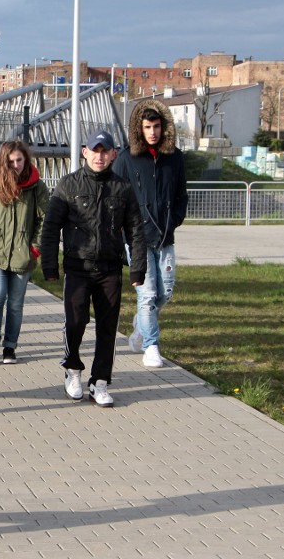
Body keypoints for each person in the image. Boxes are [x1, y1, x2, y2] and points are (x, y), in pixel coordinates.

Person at [40, 129, 147, 407]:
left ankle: (100, 382)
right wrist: (50, 264)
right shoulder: (68, 185)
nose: (99, 156)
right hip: (77, 267)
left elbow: (136, 229)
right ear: (84, 152)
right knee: (76, 323)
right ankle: (72, 370)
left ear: (112, 154)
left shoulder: (122, 188)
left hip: (110, 269)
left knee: (108, 328)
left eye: (105, 151)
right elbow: (51, 228)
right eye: (94, 150)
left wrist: (138, 268)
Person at [111, 99, 189, 368]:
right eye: (147, 127)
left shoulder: (175, 158)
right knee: (147, 294)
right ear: (139, 129)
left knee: (164, 292)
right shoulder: (126, 158)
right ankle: (151, 346)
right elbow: (115, 197)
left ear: (163, 127)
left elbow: (181, 195)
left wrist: (175, 219)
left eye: (156, 126)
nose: (152, 132)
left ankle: (140, 326)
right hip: (137, 238)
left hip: (165, 236)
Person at [0, 140, 48, 365]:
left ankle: (10, 346)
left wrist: (34, 248)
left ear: (25, 159)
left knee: (15, 303)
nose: (15, 165)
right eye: (11, 161)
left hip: (21, 255)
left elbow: (44, 220)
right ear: (3, 162)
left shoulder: (37, 187)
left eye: (19, 160)